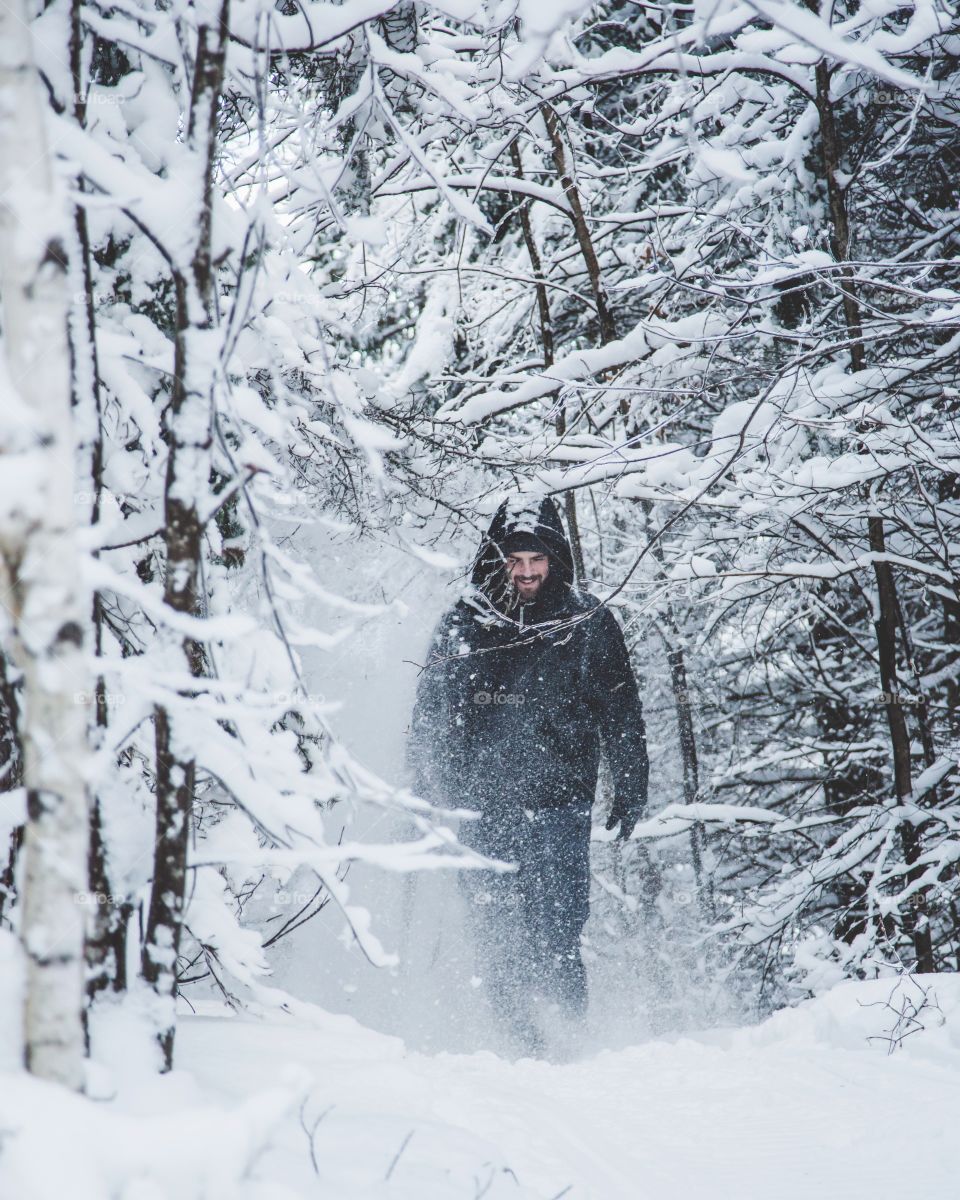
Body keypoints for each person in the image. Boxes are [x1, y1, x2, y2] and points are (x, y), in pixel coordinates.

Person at [407, 495, 649, 1054]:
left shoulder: (587, 623)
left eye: (535, 559)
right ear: (497, 559)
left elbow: (620, 708)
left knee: (558, 927)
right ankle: (518, 1043)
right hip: (482, 805)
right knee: (496, 932)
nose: (525, 571)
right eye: (514, 559)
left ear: (554, 558)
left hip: (560, 801)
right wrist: (423, 787)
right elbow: (430, 713)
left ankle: (566, 1037)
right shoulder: (465, 624)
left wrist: (631, 780)